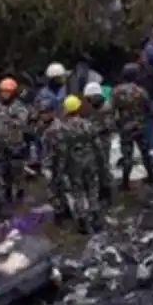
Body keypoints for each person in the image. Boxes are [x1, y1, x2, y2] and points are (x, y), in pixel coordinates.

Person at [44, 96, 102, 233]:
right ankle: (96, 217)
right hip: (90, 162)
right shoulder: (88, 124)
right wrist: (101, 162)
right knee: (92, 189)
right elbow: (97, 145)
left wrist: (59, 171)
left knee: (78, 192)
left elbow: (62, 151)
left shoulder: (63, 129)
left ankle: (83, 222)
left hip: (74, 165)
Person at [111, 62, 152, 188]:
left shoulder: (117, 91)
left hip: (125, 127)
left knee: (127, 155)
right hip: (140, 126)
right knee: (145, 152)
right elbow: (148, 108)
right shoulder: (141, 91)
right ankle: (152, 176)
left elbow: (113, 109)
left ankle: (125, 183)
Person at [0, 77, 31, 204]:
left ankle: (20, 192)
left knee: (17, 170)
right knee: (4, 171)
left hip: (15, 144)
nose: (5, 94)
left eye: (8, 92)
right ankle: (7, 192)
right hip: (0, 144)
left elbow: (23, 122)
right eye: (3, 91)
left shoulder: (19, 107)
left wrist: (9, 119)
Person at [82, 81, 114, 202]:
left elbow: (109, 126)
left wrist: (92, 130)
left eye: (89, 98)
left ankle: (107, 192)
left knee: (104, 167)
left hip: (103, 141)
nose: (88, 101)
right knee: (96, 167)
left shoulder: (106, 107)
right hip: (95, 141)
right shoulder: (94, 107)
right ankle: (101, 190)